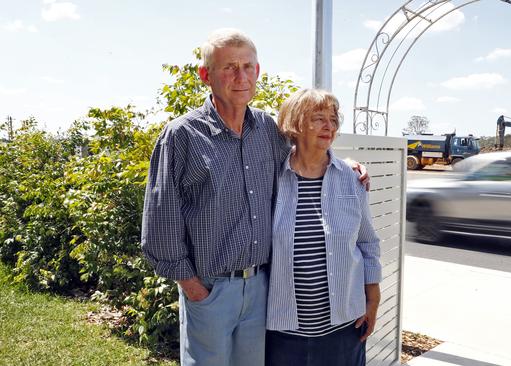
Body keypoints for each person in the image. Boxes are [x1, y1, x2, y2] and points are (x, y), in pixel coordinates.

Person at [141, 29, 368, 365]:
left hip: (263, 287)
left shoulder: (268, 130)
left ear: (258, 72)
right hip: (211, 289)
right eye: (229, 67)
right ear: (206, 75)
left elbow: (306, 156)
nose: (241, 76)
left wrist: (345, 164)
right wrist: (194, 288)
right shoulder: (181, 136)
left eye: (248, 66)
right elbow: (160, 223)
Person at [265, 89, 382, 366]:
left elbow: (367, 243)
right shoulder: (272, 179)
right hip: (283, 331)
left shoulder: (351, 179)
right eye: (318, 118)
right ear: (295, 123)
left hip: (344, 327)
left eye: (333, 119)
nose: (329, 126)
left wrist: (373, 299)